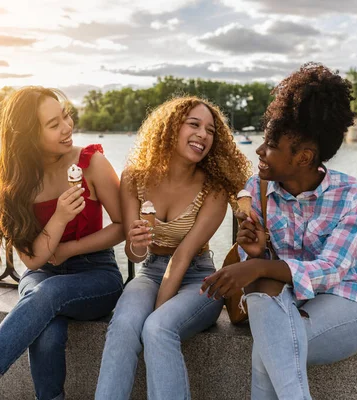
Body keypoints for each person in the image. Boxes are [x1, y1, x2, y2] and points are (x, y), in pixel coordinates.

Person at [201, 63, 357, 399]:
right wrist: (255, 255)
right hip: (286, 303)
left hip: (350, 302)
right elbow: (258, 271)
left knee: (268, 349)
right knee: (269, 330)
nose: (259, 150)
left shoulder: (354, 194)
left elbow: (332, 270)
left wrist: (260, 266)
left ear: (304, 157)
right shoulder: (257, 189)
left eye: (270, 144)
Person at [0, 87, 124, 400]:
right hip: (42, 275)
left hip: (96, 274)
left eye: (65, 116)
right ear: (28, 136)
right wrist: (60, 217)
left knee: (48, 295)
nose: (67, 127)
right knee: (47, 330)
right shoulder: (17, 182)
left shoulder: (91, 163)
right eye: (53, 125)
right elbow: (33, 260)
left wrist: (68, 249)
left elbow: (121, 227)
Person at [95, 96, 251, 399]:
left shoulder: (214, 187)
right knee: (125, 325)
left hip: (200, 280)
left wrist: (153, 314)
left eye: (210, 130)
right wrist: (137, 243)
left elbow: (182, 256)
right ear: (169, 129)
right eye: (193, 124)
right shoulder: (134, 177)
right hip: (150, 271)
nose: (203, 135)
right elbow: (134, 254)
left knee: (157, 328)